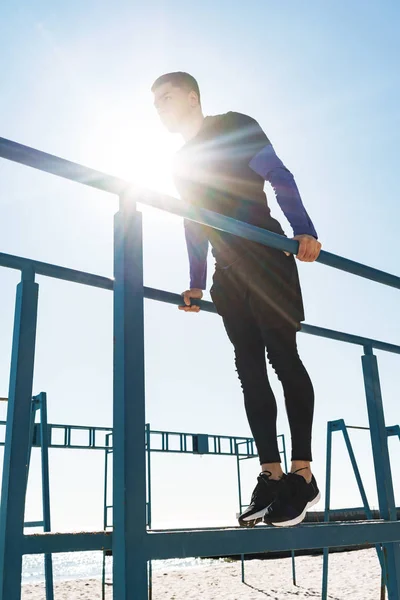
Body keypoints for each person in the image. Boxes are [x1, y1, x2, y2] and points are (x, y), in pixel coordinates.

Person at [152, 71, 322, 528]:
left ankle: (302, 475)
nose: (160, 109)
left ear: (192, 97)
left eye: (165, 99)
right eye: (155, 104)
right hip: (229, 274)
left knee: (283, 356)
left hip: (267, 255)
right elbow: (194, 222)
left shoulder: (235, 124)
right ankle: (271, 475)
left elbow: (277, 174)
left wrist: (303, 229)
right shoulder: (179, 161)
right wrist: (196, 281)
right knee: (248, 369)